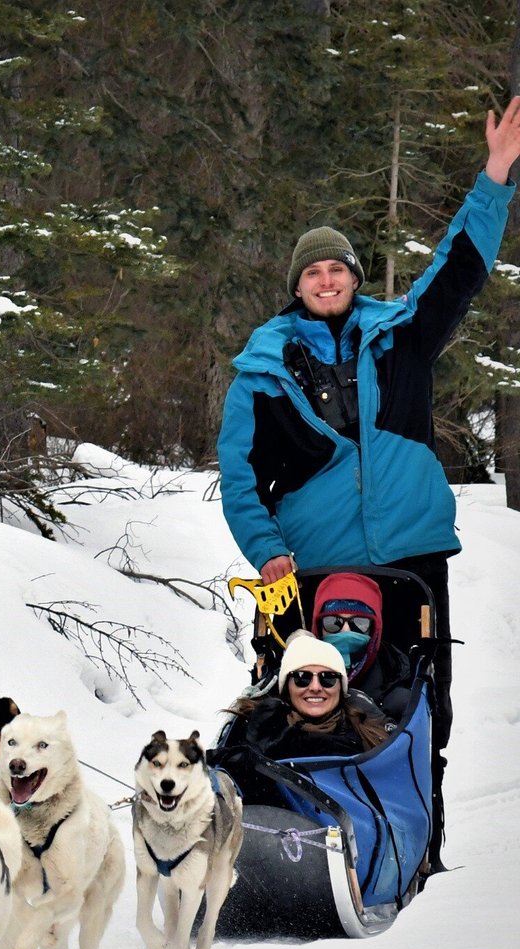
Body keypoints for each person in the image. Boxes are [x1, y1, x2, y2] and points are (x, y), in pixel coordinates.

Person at [217, 97, 520, 871]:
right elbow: (240, 475)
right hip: (308, 565)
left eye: (337, 268)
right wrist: (268, 552)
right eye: (312, 271)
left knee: (424, 706)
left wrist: (494, 178)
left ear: (353, 277)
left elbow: (459, 269)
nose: (326, 278)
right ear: (298, 285)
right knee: (302, 703)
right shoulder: (262, 369)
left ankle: (420, 850)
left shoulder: (402, 337)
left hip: (411, 557)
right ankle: (286, 842)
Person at [230, 632, 389, 763]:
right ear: (287, 687)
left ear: (341, 688)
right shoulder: (253, 729)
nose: (315, 687)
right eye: (302, 678)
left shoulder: (371, 736)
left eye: (328, 678)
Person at [312, 572, 411, 723]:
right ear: (318, 627)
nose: (346, 631)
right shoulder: (298, 678)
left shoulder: (393, 680)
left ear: (374, 629)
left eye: (359, 624)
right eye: (333, 623)